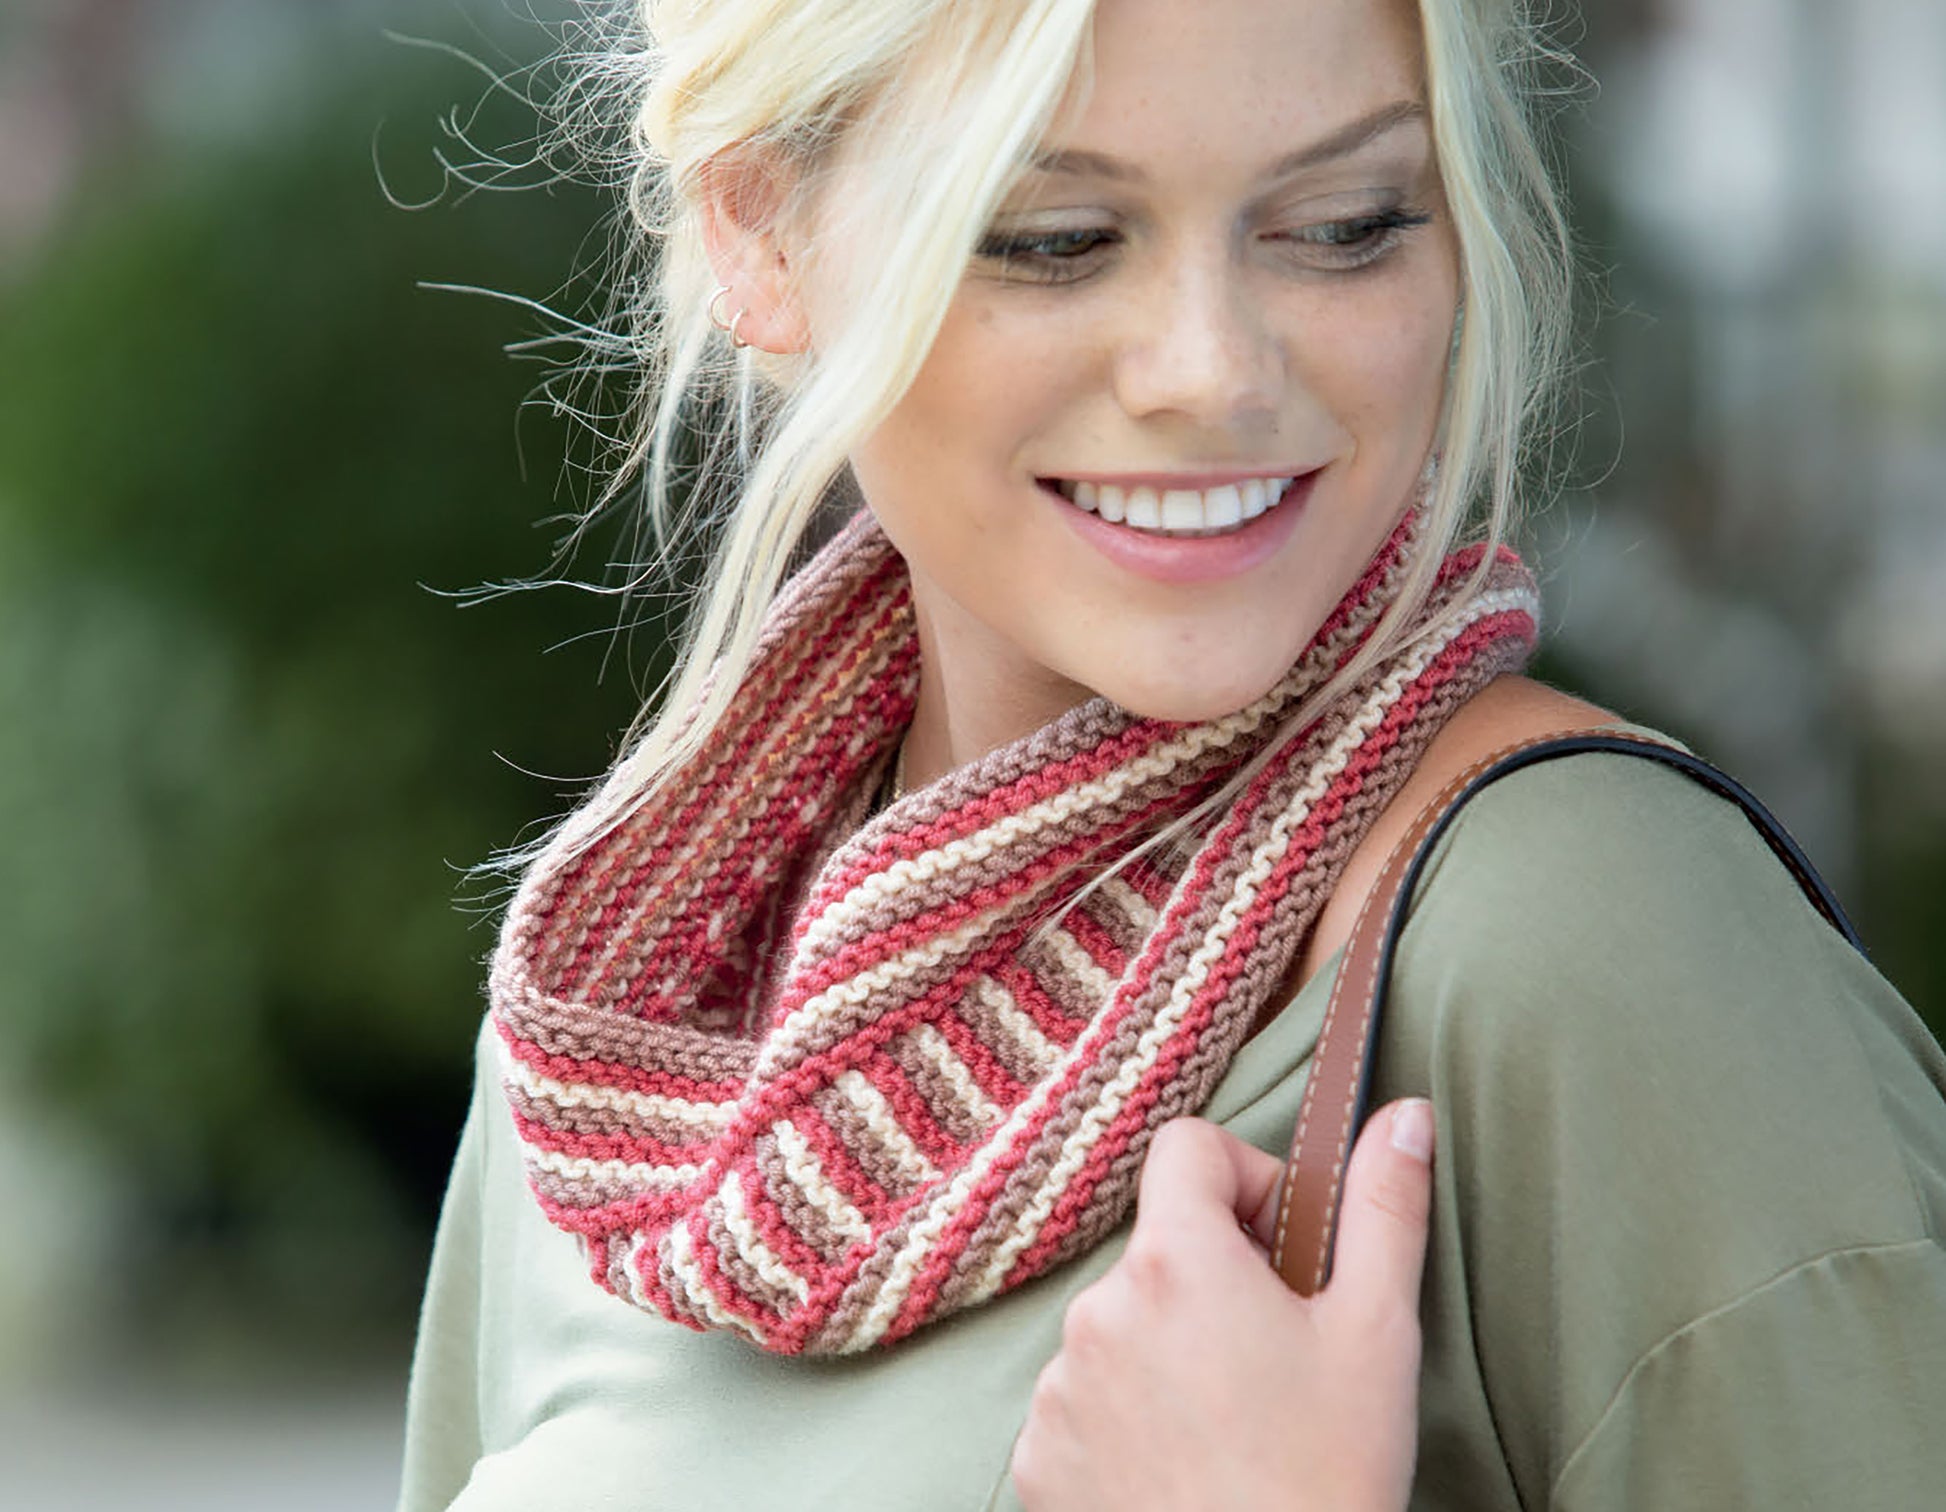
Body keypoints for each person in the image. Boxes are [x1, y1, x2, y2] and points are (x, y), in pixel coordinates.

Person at [395, 0, 1946, 1507]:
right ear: (757, 237)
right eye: (1055, 239)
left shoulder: (1590, 942)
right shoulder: (620, 1041)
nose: (1212, 370)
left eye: (1343, 222)